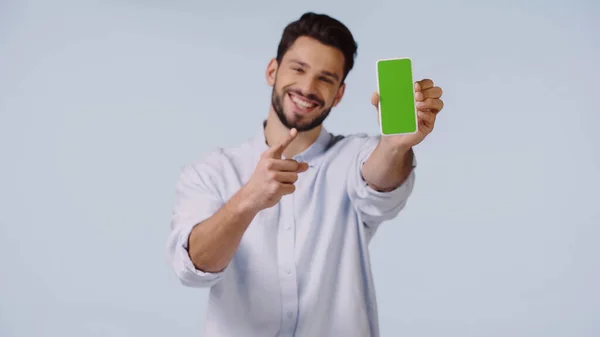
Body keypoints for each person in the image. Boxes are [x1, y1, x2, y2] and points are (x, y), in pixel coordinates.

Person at [166, 11, 444, 337]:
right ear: (273, 71)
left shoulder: (353, 157)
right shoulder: (211, 172)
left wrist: (395, 146)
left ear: (339, 94)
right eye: (298, 69)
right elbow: (193, 269)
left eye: (326, 78)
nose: (308, 87)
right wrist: (247, 200)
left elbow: (379, 183)